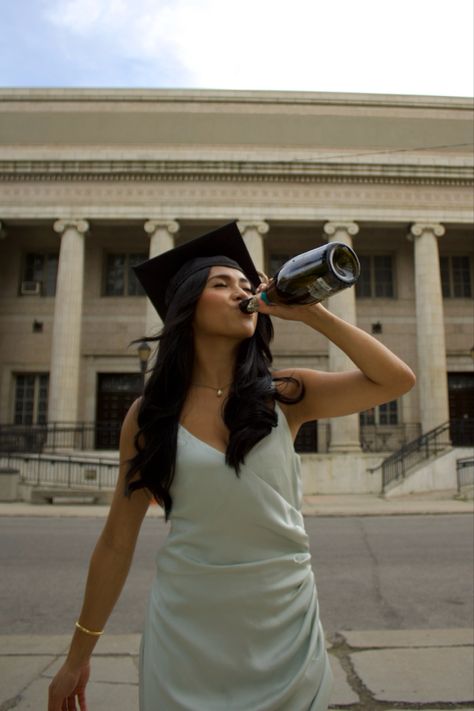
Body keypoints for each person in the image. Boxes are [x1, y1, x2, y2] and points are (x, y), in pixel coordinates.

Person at [48, 222, 415, 711]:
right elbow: (117, 539)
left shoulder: (284, 393)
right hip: (187, 630)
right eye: (220, 284)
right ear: (187, 309)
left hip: (284, 624)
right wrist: (77, 657)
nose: (241, 290)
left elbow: (395, 380)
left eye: (245, 284)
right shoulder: (151, 414)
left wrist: (315, 316)